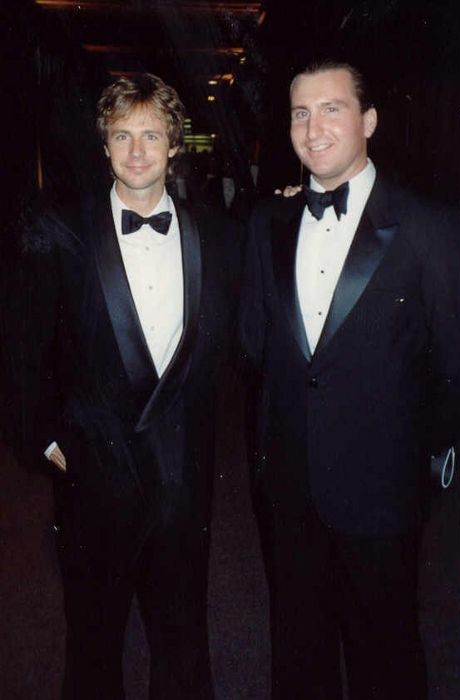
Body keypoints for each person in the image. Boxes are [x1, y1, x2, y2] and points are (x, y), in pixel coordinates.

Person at [239, 60, 460, 699]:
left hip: (382, 492)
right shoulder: (267, 223)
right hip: (291, 488)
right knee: (299, 650)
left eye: (332, 109)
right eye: (300, 112)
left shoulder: (430, 227)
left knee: (385, 652)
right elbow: (254, 343)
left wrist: (414, 452)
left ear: (369, 120)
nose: (313, 127)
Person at [14, 73, 242, 700]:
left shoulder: (220, 238)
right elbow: (22, 346)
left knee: (183, 641)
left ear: (175, 144)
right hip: (94, 477)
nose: (137, 150)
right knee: (92, 643)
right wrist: (39, 439)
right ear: (105, 145)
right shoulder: (57, 231)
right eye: (122, 135)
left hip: (181, 482)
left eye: (151, 134)